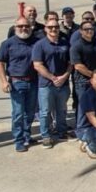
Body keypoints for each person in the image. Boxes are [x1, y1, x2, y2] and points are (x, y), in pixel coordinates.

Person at [0, 17, 38, 152]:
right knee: (18, 113)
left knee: (30, 112)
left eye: (26, 26)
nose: (24, 28)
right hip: (16, 82)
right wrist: (3, 81)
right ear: (15, 28)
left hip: (33, 81)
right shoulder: (7, 44)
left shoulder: (36, 42)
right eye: (20, 26)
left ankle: (27, 135)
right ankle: (19, 140)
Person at [32, 19, 73, 149]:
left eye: (55, 27)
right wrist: (52, 77)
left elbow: (70, 63)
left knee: (61, 110)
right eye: (50, 27)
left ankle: (62, 132)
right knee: (45, 112)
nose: (53, 29)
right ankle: (46, 136)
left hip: (63, 83)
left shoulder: (65, 43)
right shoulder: (40, 45)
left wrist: (65, 76)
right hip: (46, 84)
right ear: (45, 29)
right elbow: (37, 65)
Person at [70, 20, 96, 120]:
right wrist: (93, 76)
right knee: (83, 107)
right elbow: (78, 66)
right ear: (81, 31)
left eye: (91, 29)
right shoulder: (76, 46)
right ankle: (82, 130)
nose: (89, 31)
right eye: (86, 29)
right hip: (83, 81)